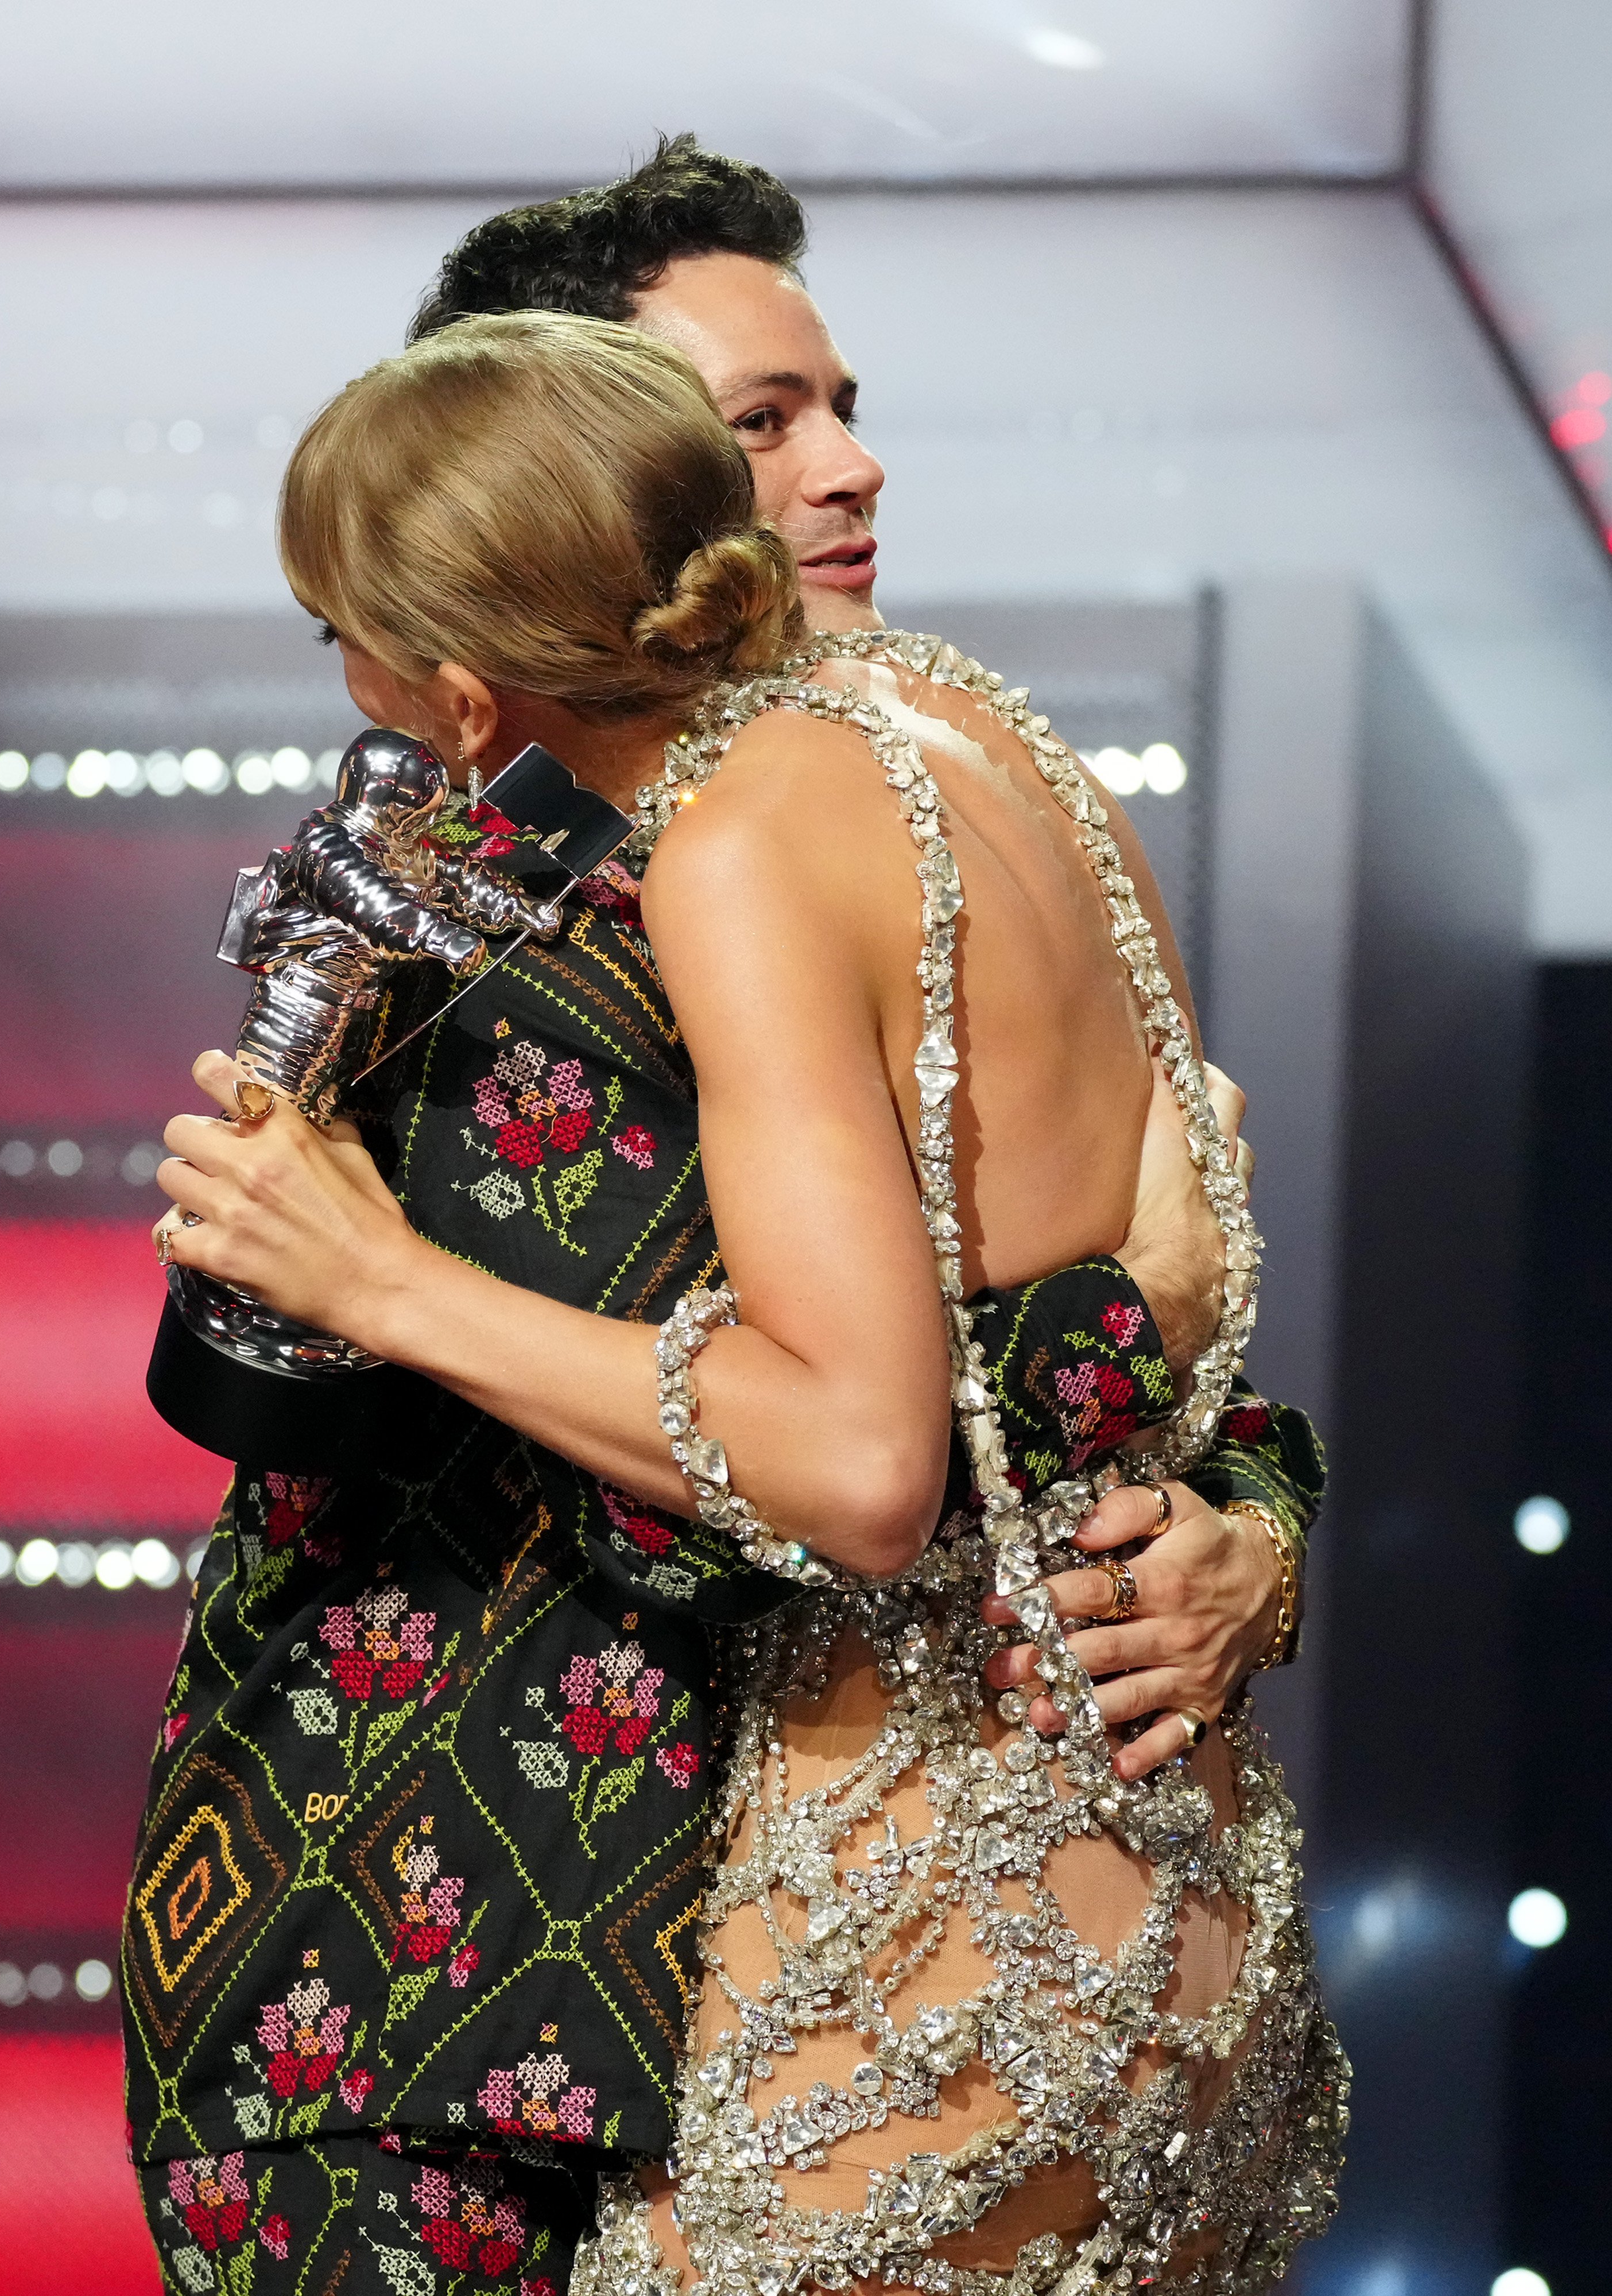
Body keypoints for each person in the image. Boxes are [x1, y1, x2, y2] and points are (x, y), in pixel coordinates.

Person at [134, 313, 1338, 2295]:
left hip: (916, 1956)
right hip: (1177, 1919)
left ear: (449, 693)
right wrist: (1244, 1509)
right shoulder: (990, 735)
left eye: (331, 636)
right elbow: (1157, 1296)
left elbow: (866, 1458)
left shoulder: (741, 836)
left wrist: (379, 1277)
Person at [406, 136, 1318, 1775]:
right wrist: (1150, 1306)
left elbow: (907, 1445)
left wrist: (1251, 1544)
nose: (855, 464)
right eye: (765, 422)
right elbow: (682, 1488)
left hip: (925, 1828)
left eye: (837, 403)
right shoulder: (479, 901)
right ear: (579, 464)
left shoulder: (966, 766)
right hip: (538, 1859)